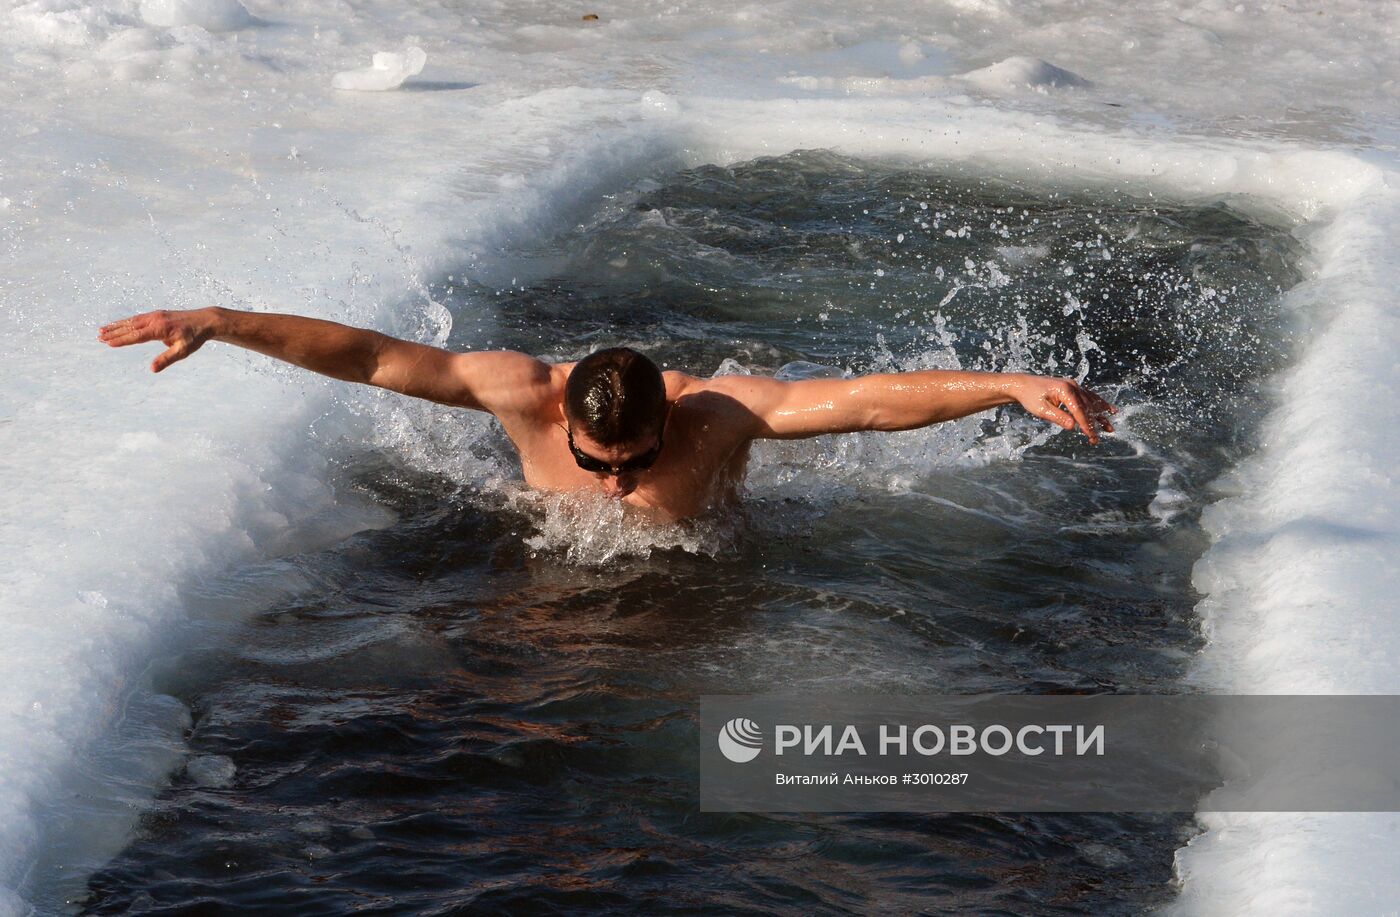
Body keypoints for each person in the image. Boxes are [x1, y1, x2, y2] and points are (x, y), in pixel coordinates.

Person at [99, 307, 1116, 522]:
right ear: (565, 421)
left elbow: (861, 405)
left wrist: (1002, 382)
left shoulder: (717, 412)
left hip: (699, 584)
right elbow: (369, 357)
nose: (620, 482)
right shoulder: (516, 391)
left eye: (635, 462)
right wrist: (222, 321)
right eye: (601, 467)